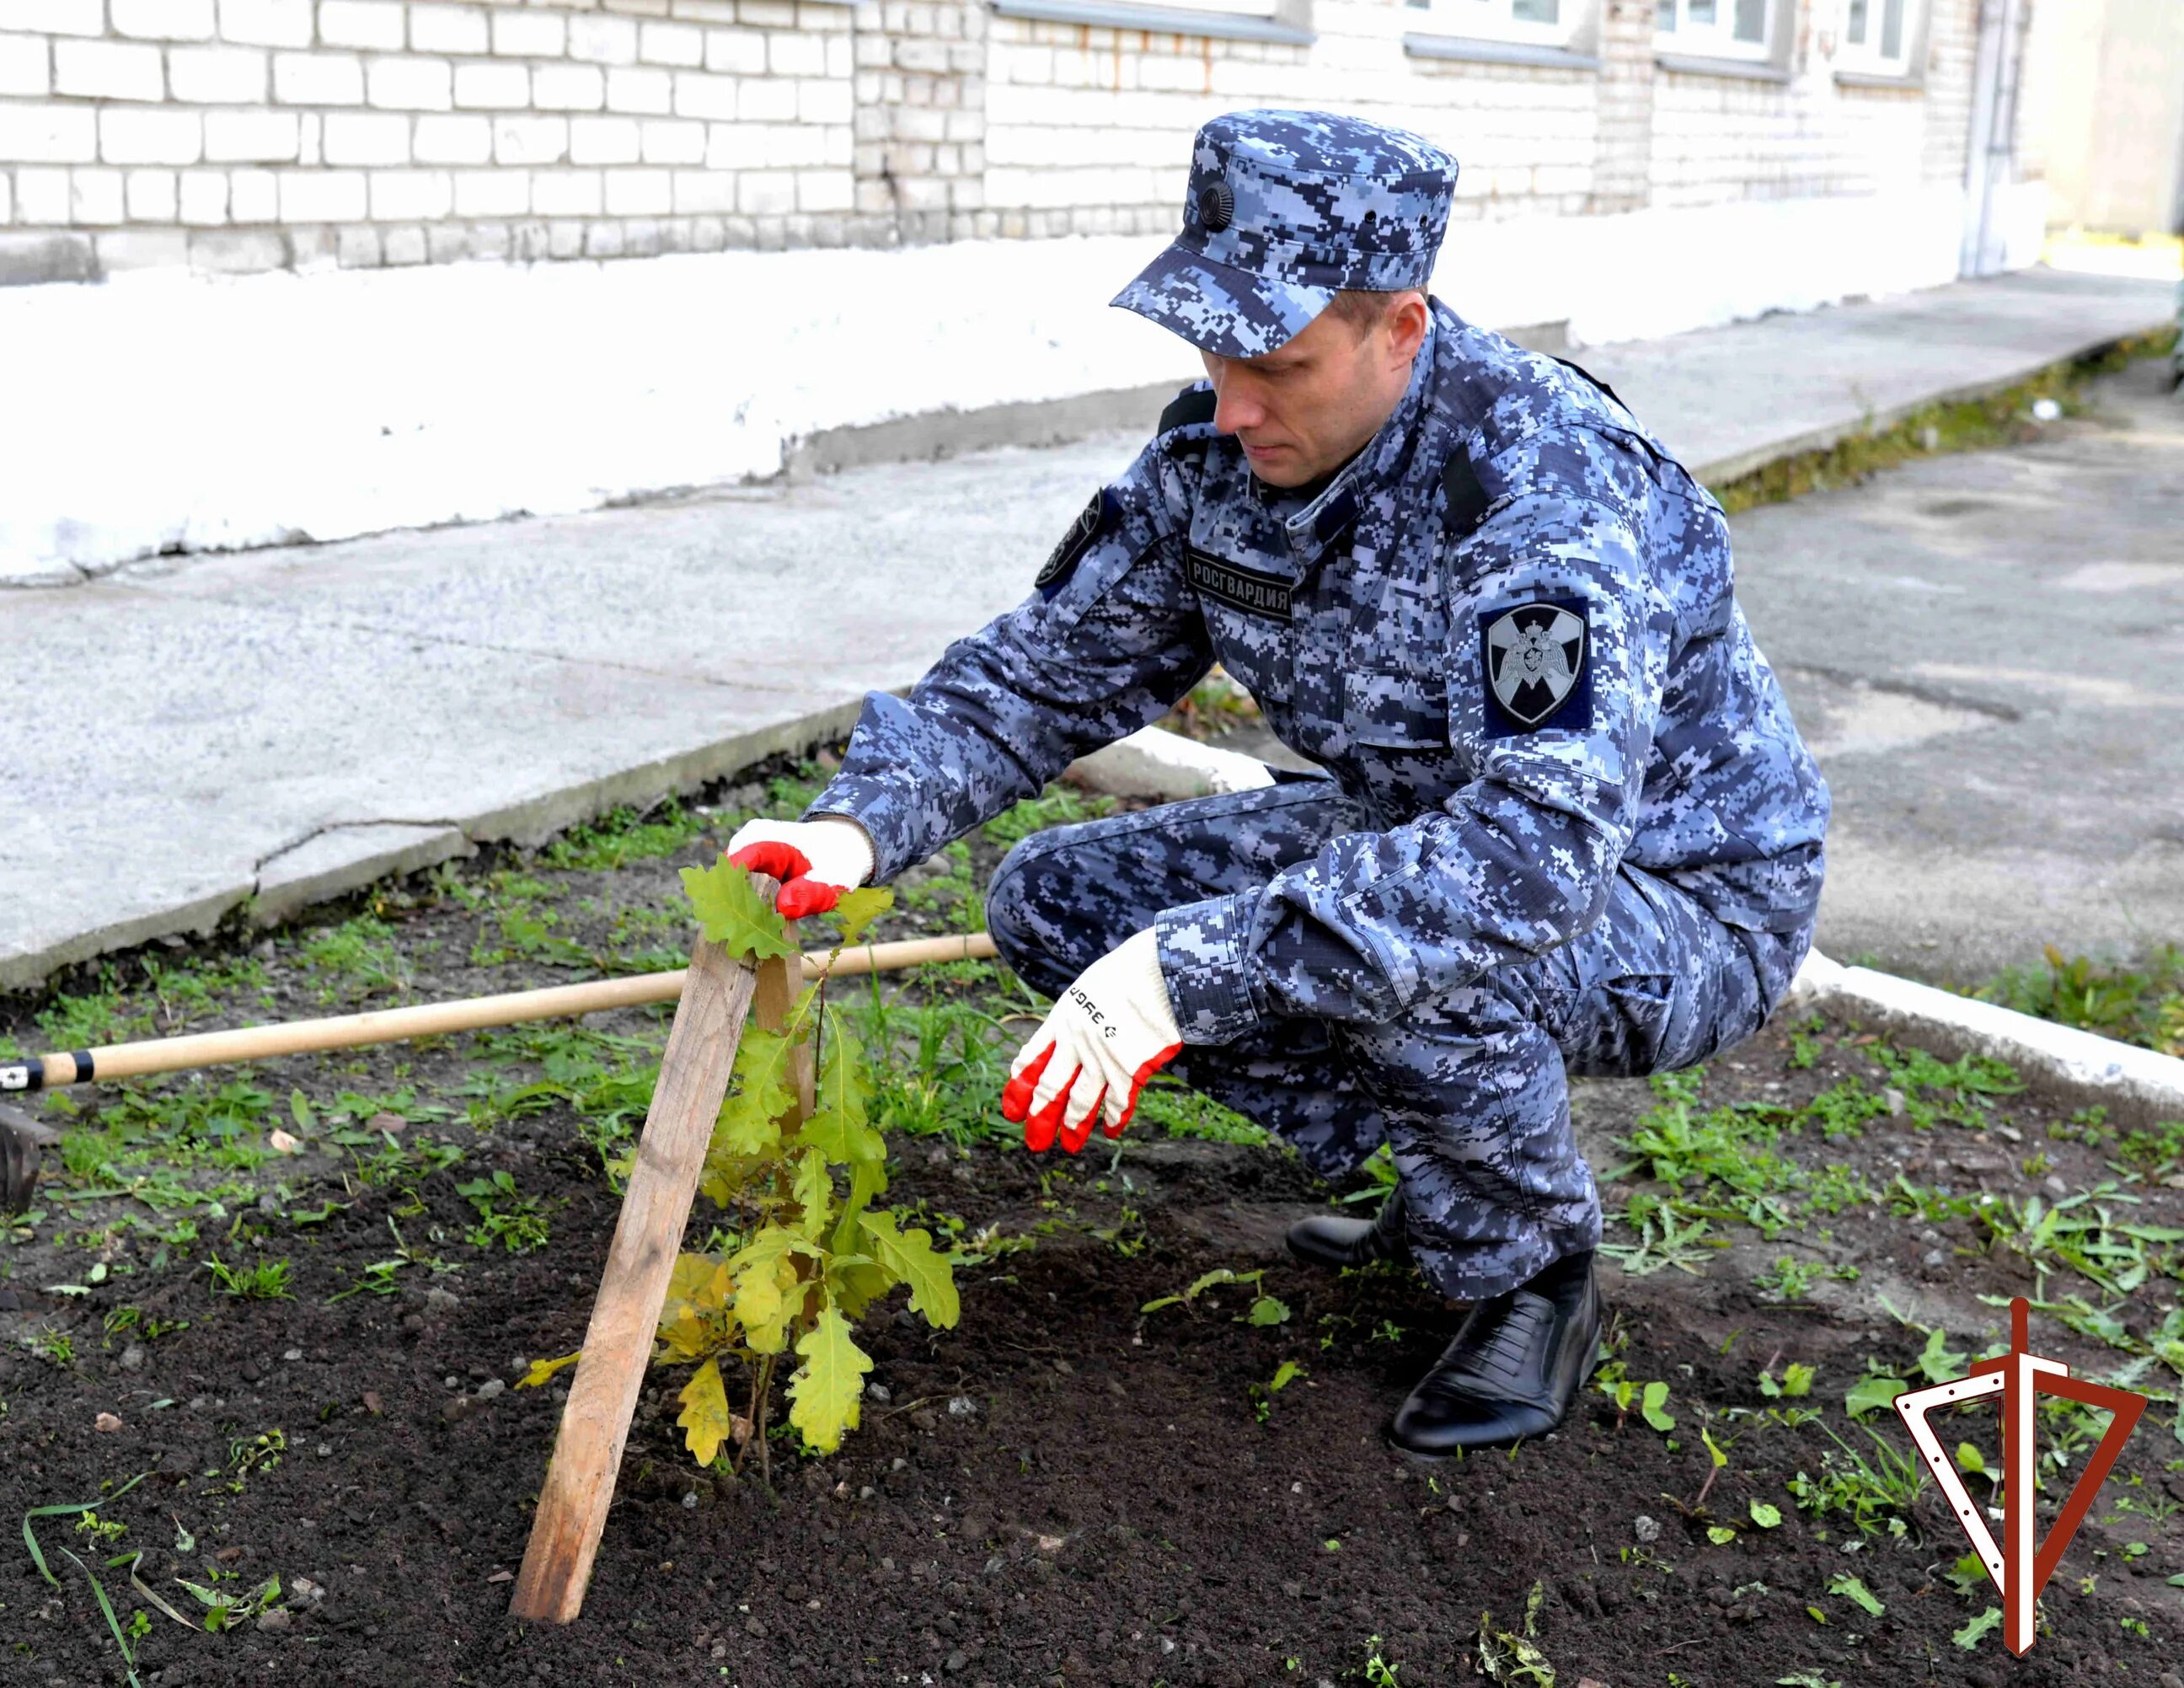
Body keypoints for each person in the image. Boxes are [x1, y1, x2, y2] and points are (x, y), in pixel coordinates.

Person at [725, 110, 1828, 1456]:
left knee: (1403, 948)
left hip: (1671, 895)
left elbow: (1533, 854)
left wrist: (1182, 976)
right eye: (1215, 351)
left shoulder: (1539, 486)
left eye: (1283, 364)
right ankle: (1440, 1170)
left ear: (1402, 332)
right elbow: (1042, 676)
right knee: (1061, 904)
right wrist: (851, 827)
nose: (1235, 402)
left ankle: (1531, 1268)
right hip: (1424, 834)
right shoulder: (1222, 460)